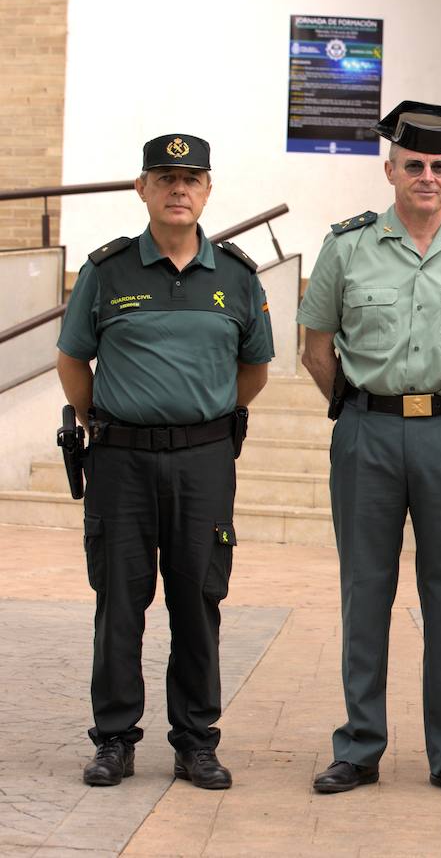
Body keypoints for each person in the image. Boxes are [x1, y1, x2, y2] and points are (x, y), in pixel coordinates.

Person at [297, 101, 441, 796]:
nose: (427, 176)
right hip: (367, 429)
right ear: (391, 168)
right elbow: (314, 348)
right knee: (365, 589)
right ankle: (360, 745)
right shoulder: (347, 247)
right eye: (415, 164)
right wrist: (361, 408)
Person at [56, 133, 274, 790]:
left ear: (207, 190)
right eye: (165, 177)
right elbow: (73, 359)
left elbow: (255, 368)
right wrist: (105, 415)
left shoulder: (235, 275)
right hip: (121, 461)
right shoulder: (106, 270)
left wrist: (202, 417)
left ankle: (196, 742)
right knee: (119, 602)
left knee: (198, 600)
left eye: (192, 179)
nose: (179, 190)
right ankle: (115, 739)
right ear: (142, 188)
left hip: (204, 462)